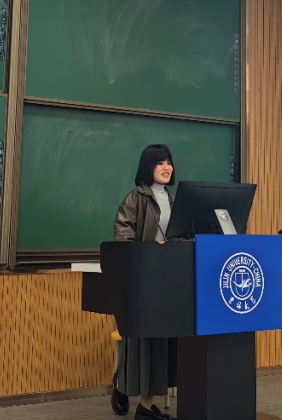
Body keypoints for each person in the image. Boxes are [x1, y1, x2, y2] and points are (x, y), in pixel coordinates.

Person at [110, 144, 177, 420]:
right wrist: (148, 254)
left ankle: (144, 403)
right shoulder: (134, 199)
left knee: (160, 343)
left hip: (168, 281)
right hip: (144, 281)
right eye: (159, 163)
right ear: (147, 167)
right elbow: (123, 238)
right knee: (144, 344)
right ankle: (140, 402)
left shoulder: (173, 199)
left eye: (169, 162)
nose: (166, 167)